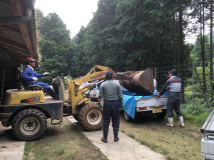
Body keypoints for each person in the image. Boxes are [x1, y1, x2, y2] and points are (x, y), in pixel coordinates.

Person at [98, 71, 123, 143]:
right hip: (116, 103)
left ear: (106, 77)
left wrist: (99, 103)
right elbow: (120, 96)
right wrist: (121, 103)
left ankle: (105, 138)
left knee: (106, 120)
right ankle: (115, 137)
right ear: (112, 77)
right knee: (116, 120)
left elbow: (100, 96)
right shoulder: (117, 84)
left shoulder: (103, 85)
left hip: (107, 104)